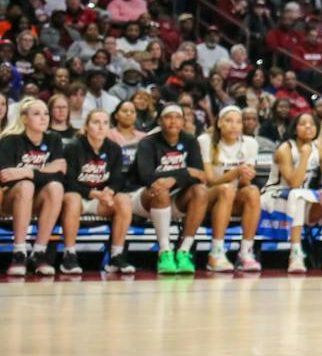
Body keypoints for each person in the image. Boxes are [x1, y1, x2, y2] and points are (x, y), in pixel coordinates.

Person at [131, 103, 210, 275]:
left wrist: (173, 178)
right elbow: (146, 177)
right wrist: (184, 172)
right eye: (168, 117)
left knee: (201, 191)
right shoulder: (147, 142)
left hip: (175, 197)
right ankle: (165, 251)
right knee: (160, 189)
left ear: (183, 121)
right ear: (159, 121)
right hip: (143, 197)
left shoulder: (190, 140)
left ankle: (184, 251)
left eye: (177, 117)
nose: (173, 121)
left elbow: (200, 176)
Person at [264, 112, 322, 274]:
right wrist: (304, 157)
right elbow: (294, 183)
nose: (308, 127)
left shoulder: (320, 150)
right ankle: (296, 253)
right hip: (275, 197)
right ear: (294, 129)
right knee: (297, 195)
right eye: (303, 123)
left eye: (312, 124)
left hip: (300, 198)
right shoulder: (285, 149)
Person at [59, 108, 133, 274]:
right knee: (73, 199)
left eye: (105, 123)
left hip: (100, 200)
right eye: (96, 122)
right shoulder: (73, 147)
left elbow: (118, 178)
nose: (101, 127)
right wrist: (93, 193)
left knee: (123, 200)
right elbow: (67, 181)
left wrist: (110, 192)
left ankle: (116, 256)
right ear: (86, 126)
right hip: (78, 196)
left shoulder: (114, 148)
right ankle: (69, 255)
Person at [0, 97, 68, 276]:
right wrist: (42, 172)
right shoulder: (10, 140)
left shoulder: (54, 139)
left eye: (46, 113)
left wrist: (26, 172)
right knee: (26, 186)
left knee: (56, 188)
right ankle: (19, 253)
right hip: (9, 200)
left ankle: (39, 252)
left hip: (36, 200)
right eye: (37, 114)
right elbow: (6, 176)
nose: (43, 118)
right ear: (24, 119)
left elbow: (60, 173)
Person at [198, 106, 263, 273]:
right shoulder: (206, 140)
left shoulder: (250, 143)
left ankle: (245, 252)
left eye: (238, 122)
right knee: (226, 189)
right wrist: (235, 172)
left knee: (253, 191)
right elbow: (210, 181)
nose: (234, 126)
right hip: (206, 199)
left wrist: (245, 178)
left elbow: (243, 186)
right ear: (219, 123)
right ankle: (216, 252)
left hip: (231, 198)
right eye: (229, 121)